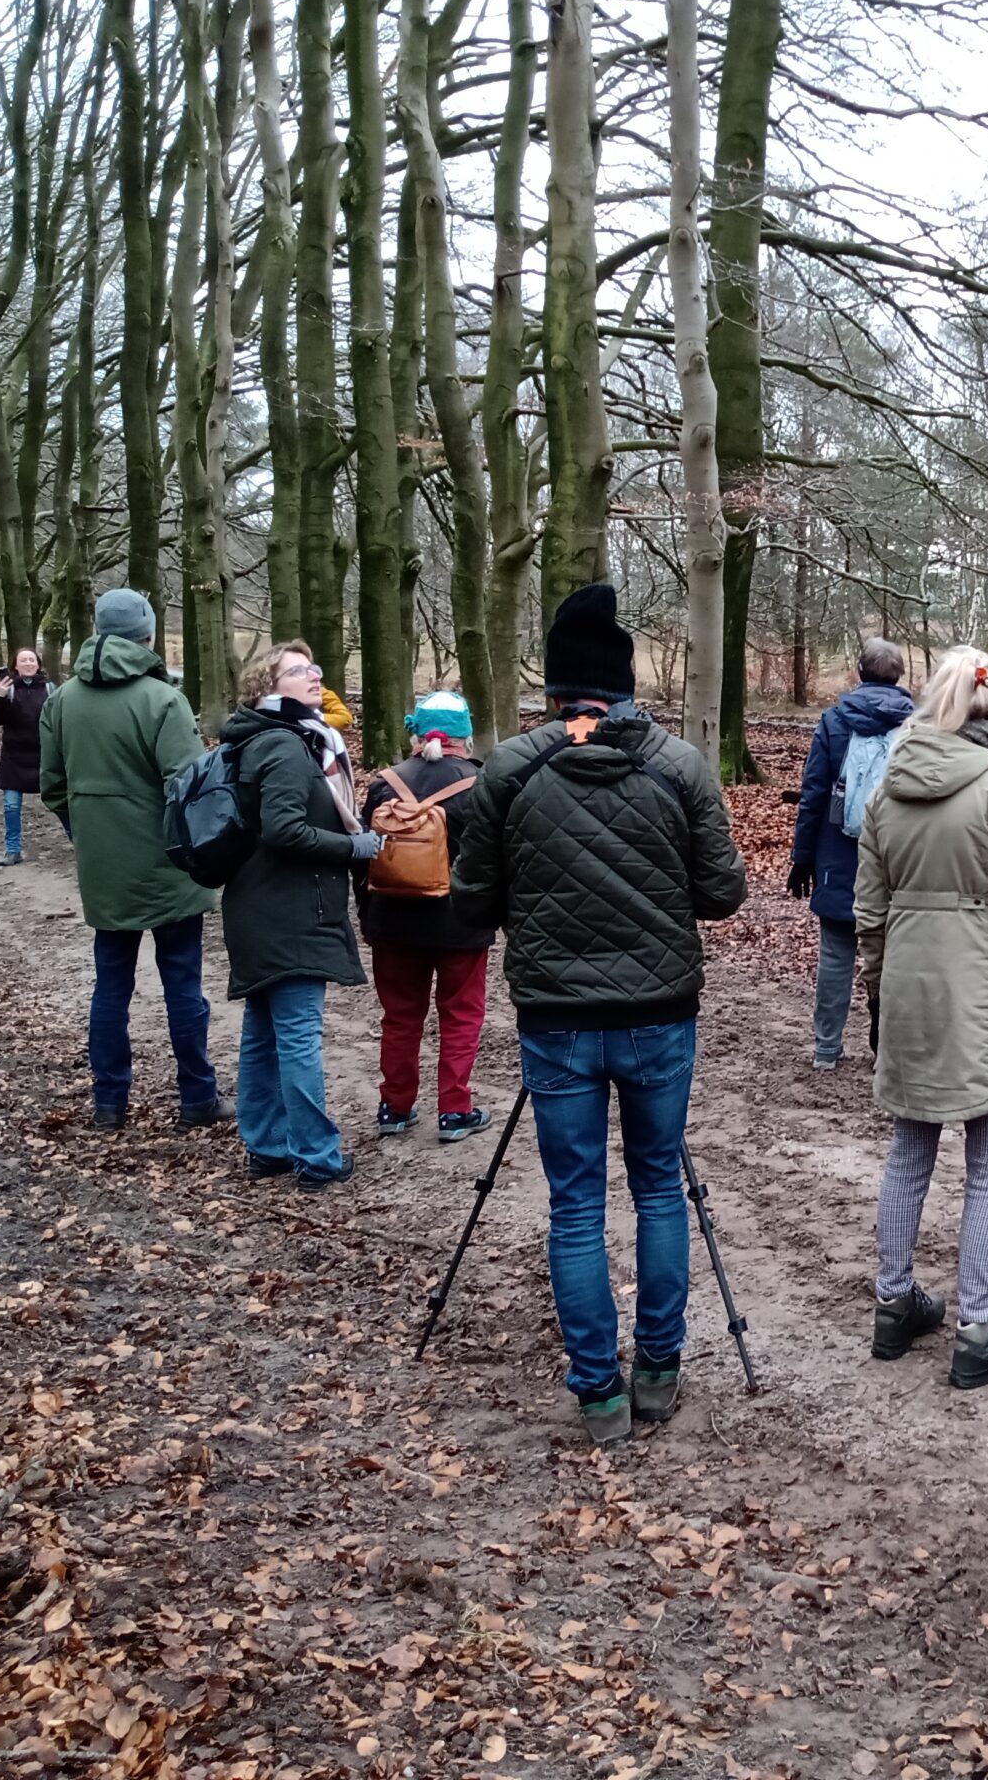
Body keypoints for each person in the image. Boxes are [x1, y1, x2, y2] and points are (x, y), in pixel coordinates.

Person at [451, 584, 747, 1445]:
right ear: (622, 690)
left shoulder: (511, 768)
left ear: (556, 693)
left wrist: (533, 907)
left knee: (575, 1204)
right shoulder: (678, 764)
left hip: (557, 1016)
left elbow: (472, 903)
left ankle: (598, 1395)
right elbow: (723, 894)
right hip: (658, 1012)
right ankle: (658, 1371)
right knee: (660, 1188)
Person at [854, 645, 988, 1388]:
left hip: (911, 987)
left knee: (909, 1157)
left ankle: (893, 1302)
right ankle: (977, 1326)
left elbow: (869, 912)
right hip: (983, 992)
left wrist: (879, 990)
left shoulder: (887, 790)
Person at [37, 588, 220, 1133]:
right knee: (183, 984)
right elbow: (188, 789)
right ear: (148, 636)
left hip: (104, 868)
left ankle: (109, 1105)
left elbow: (52, 787)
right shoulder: (163, 700)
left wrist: (88, 837)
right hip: (169, 870)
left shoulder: (62, 699)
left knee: (110, 987)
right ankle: (196, 1100)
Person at [217, 644, 382, 1189]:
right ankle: (315, 1155)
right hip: (288, 911)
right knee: (296, 1037)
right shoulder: (286, 748)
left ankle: (266, 1145)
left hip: (258, 905)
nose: (314, 676)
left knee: (263, 1035)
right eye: (298, 671)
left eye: (315, 667)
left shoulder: (264, 739)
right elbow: (284, 830)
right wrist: (353, 847)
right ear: (268, 685)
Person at [360, 690, 495, 1143]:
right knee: (461, 1015)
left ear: (415, 732)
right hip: (461, 924)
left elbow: (361, 860)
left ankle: (394, 1107)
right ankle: (455, 1111)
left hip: (393, 923)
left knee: (399, 1017)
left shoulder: (384, 785)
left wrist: (367, 917)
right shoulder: (482, 786)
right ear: (465, 736)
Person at [788, 638, 914, 1070]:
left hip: (839, 855)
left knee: (836, 955)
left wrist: (802, 857)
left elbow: (814, 793)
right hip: (899, 859)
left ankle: (826, 1050)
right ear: (899, 676)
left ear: (858, 672)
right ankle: (889, 1053)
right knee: (895, 958)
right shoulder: (919, 727)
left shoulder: (835, 721)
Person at [0, 648, 51, 867]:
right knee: (11, 807)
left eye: (31, 660)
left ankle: (79, 844)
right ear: (15, 665)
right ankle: (13, 850)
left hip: (45, 757)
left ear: (38, 664)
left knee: (62, 804)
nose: (27, 663)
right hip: (14, 758)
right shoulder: (9, 689)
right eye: (23, 660)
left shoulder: (51, 689)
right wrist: (0, 697)